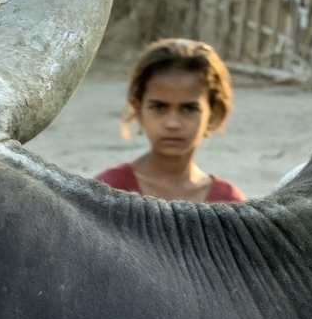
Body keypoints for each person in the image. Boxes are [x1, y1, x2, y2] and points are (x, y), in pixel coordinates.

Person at [94, 38, 246, 203]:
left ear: (214, 113)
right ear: (138, 111)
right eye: (159, 107)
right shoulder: (108, 191)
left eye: (189, 109)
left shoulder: (227, 201)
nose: (172, 123)